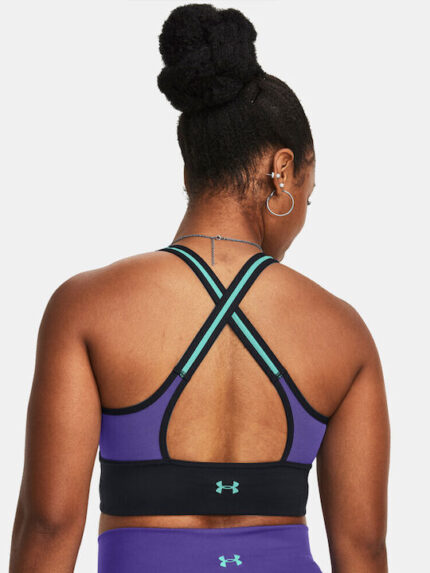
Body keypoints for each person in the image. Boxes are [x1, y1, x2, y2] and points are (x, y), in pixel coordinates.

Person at [9, 4, 390, 572]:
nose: (305, 212)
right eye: (309, 193)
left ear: (189, 170)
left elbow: (49, 527)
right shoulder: (343, 333)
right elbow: (363, 551)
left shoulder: (86, 309)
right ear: (282, 171)